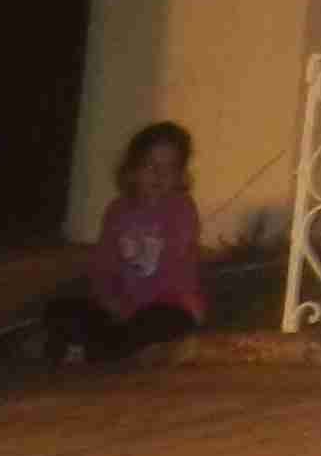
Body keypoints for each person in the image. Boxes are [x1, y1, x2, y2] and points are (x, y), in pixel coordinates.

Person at [44, 120, 203, 365]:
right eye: (150, 165)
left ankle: (91, 351)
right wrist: (109, 300)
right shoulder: (117, 210)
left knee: (157, 323)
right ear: (132, 170)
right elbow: (103, 264)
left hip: (166, 304)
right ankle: (105, 347)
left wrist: (131, 308)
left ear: (180, 176)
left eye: (169, 168)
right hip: (119, 307)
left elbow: (174, 267)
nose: (159, 175)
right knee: (60, 310)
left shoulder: (182, 209)